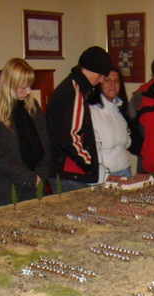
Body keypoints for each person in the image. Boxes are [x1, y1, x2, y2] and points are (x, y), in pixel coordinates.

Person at [0, 58, 52, 208]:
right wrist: (28, 178)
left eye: (29, 86)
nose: (28, 92)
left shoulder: (32, 107)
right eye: (23, 87)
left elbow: (46, 145)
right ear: (9, 85)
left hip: (36, 186)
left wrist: (41, 177)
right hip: (4, 188)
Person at [47, 46, 112, 192]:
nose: (101, 80)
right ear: (89, 69)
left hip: (61, 169)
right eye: (101, 75)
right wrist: (89, 162)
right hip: (70, 172)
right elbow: (70, 136)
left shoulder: (68, 86)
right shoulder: (74, 92)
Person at [88, 68, 133, 182]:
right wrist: (103, 175)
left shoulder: (120, 110)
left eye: (116, 81)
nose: (112, 84)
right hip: (106, 175)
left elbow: (127, 142)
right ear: (100, 83)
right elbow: (92, 149)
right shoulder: (91, 111)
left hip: (125, 170)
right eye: (107, 80)